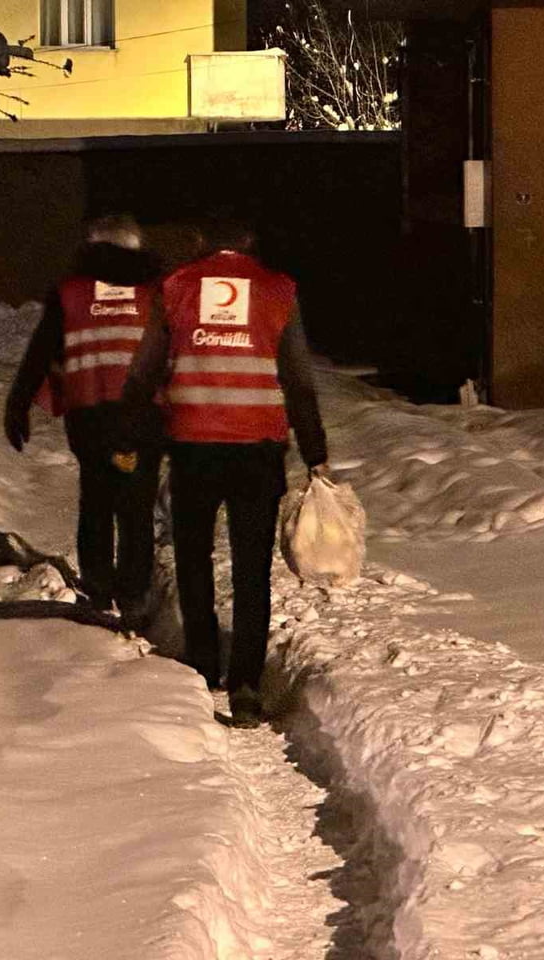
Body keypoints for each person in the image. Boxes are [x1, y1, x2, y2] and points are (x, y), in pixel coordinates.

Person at [121, 220, 328, 728]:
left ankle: (203, 660)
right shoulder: (279, 290)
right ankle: (248, 686)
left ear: (198, 241)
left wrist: (130, 435)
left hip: (192, 445)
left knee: (193, 555)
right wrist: (315, 451)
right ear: (250, 243)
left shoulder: (177, 286)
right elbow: (298, 379)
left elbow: (145, 371)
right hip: (258, 449)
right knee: (252, 567)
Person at [4, 215, 164, 627]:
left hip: (89, 413)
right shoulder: (157, 294)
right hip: (144, 415)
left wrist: (19, 403)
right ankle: (134, 596)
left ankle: (98, 589)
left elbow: (41, 351)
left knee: (96, 500)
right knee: (137, 507)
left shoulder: (70, 293)